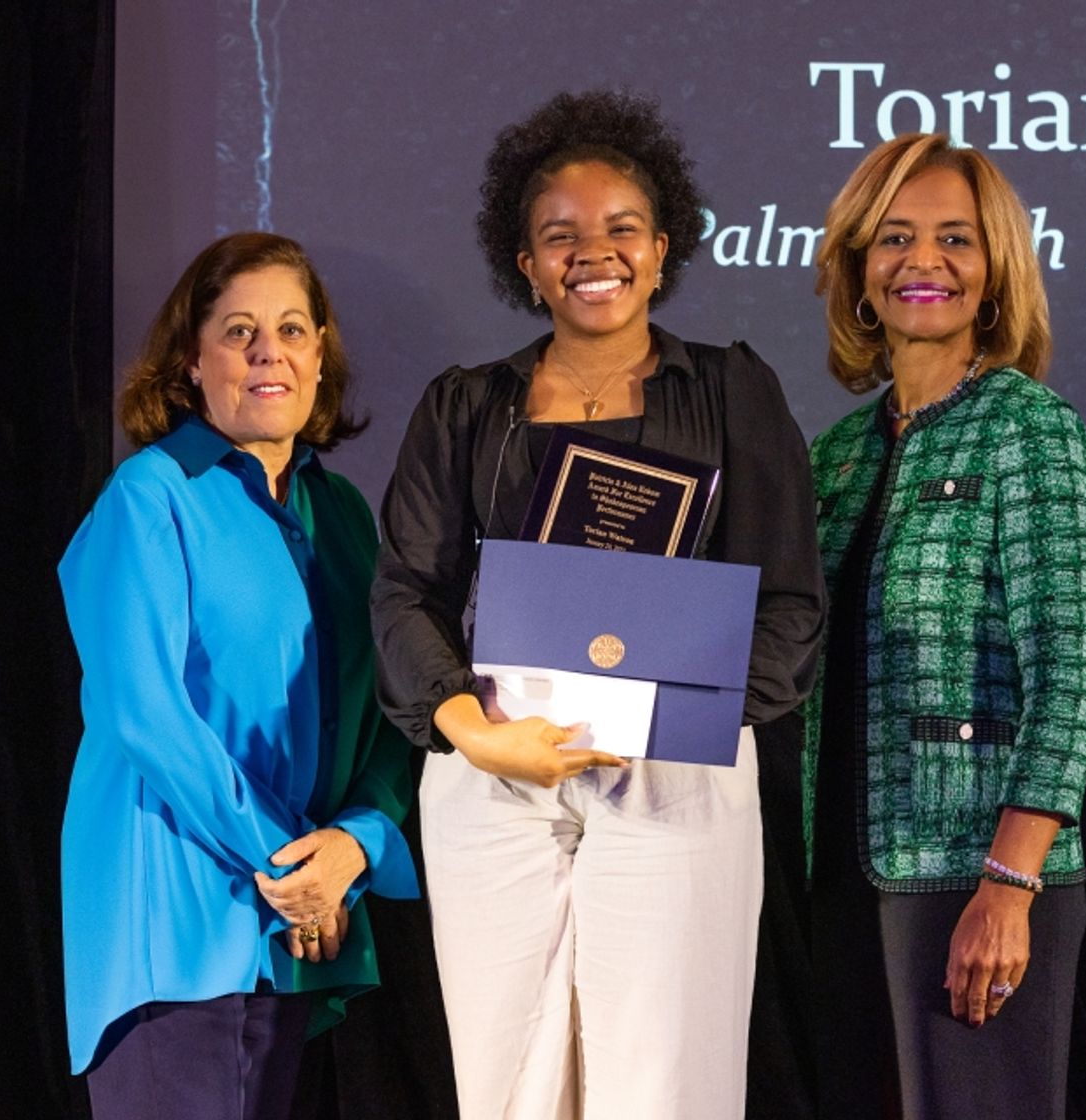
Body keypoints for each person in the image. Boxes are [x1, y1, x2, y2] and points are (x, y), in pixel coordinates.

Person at [370, 89, 825, 1120]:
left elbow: (789, 603)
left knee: (660, 1076)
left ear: (662, 250)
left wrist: (682, 713)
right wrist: (472, 734)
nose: (594, 253)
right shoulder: (462, 406)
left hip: (672, 772)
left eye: (621, 229)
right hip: (492, 763)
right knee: (508, 1076)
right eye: (558, 236)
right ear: (523, 263)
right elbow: (405, 591)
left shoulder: (730, 393)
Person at [59, 231, 418, 1120]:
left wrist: (354, 845)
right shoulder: (149, 497)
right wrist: (291, 864)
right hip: (172, 923)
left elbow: (387, 709)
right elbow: (145, 716)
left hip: (292, 923)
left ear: (320, 352)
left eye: (293, 329)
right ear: (190, 360)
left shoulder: (338, 512)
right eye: (239, 331)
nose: (270, 352)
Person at [805, 132, 1086, 1119]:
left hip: (971, 884)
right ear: (855, 266)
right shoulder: (837, 452)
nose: (921, 262)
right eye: (892, 237)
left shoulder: (1029, 427)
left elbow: (1065, 673)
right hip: (844, 879)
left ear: (994, 270)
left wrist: (1007, 884)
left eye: (953, 240)